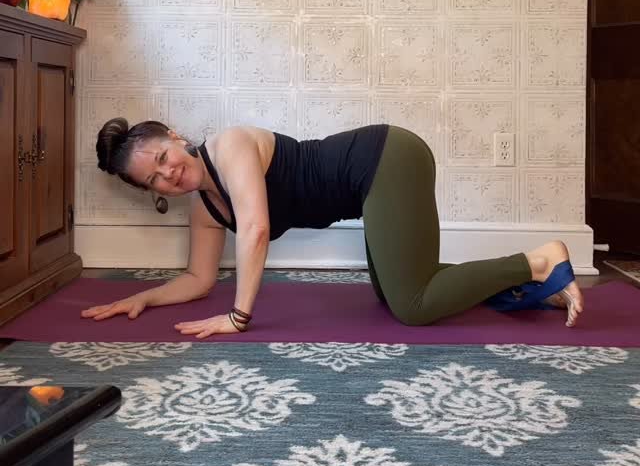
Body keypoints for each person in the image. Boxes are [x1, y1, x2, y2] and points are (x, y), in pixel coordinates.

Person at [82, 120, 584, 338]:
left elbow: (255, 229)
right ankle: (530, 283)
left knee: (412, 306)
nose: (168, 175)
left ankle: (539, 260)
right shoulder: (205, 208)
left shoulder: (229, 145)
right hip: (369, 185)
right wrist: (144, 298)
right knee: (400, 291)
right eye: (154, 180)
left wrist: (239, 317)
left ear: (175, 138)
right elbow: (199, 279)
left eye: (162, 159)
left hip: (385, 159)